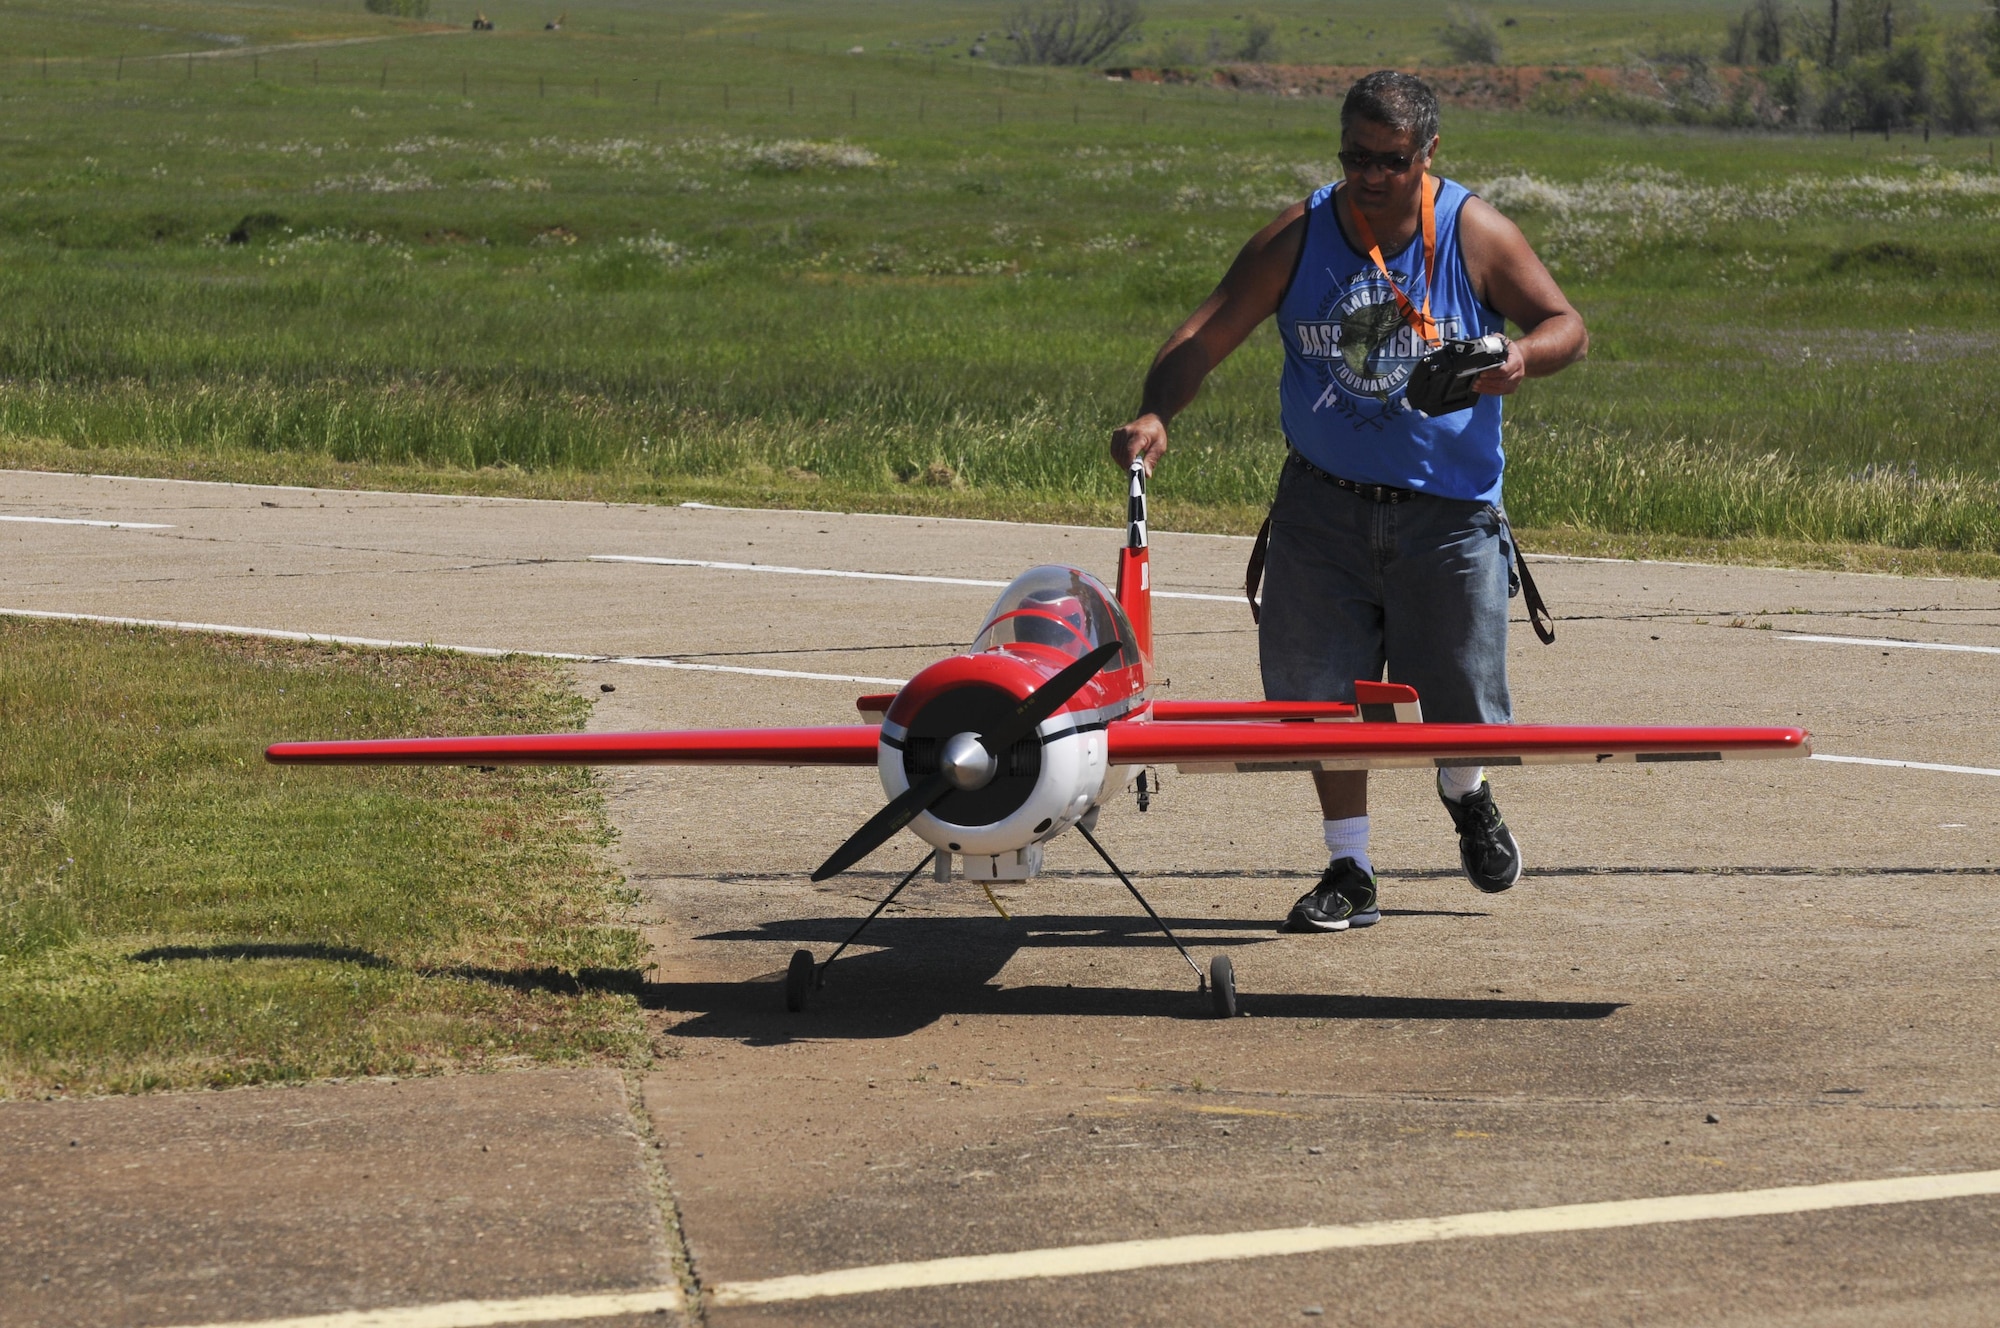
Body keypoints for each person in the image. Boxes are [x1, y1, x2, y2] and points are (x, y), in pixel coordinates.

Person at [1108, 70, 1587, 933]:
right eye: (1354, 156)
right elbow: (1204, 331)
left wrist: (1518, 359)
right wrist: (1155, 410)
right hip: (1321, 510)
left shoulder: (1474, 233)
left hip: (1448, 515)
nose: (1369, 176)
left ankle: (1464, 792)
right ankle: (1349, 866)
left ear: (1429, 154)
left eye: (1391, 161)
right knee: (1319, 698)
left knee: (1461, 701)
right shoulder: (1301, 235)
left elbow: (1566, 325)